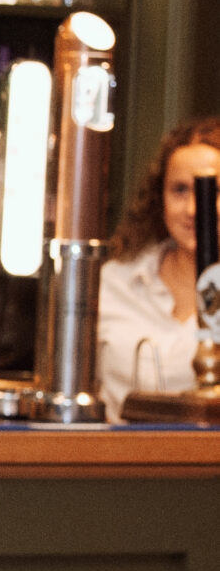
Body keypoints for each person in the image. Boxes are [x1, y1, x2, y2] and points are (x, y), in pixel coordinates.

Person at [98, 116, 220, 418]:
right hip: (116, 458)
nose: (193, 210)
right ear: (159, 198)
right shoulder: (114, 283)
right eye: (180, 190)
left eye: (213, 191)